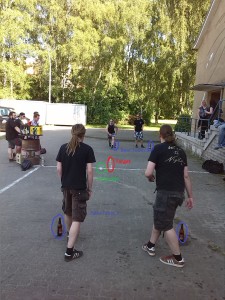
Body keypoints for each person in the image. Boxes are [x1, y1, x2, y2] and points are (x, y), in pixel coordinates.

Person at [143, 124, 193, 268]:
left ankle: (178, 258)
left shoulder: (158, 149)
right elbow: (186, 176)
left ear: (161, 135)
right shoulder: (181, 151)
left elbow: (148, 172)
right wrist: (191, 196)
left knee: (166, 224)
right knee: (161, 218)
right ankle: (151, 246)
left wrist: (150, 177)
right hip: (178, 194)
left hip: (165, 193)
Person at [56, 124, 96, 262]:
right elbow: (90, 171)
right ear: (83, 135)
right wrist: (90, 188)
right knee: (77, 218)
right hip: (79, 188)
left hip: (66, 186)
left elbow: (59, 169)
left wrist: (64, 181)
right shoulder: (87, 149)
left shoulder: (63, 147)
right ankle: (69, 252)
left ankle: (69, 234)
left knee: (68, 212)